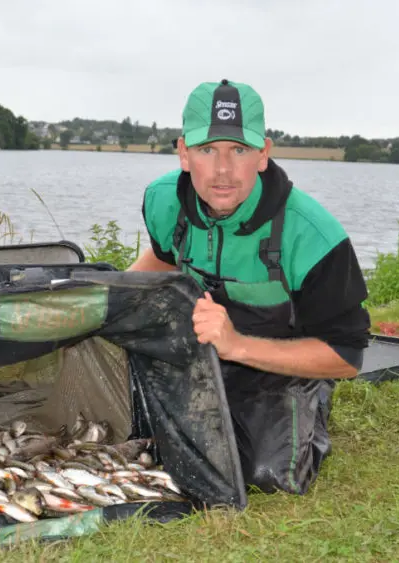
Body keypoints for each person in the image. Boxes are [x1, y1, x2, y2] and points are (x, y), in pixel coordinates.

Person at [127, 78, 372, 495]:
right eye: (208, 150)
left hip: (278, 365)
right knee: (145, 440)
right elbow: (163, 260)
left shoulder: (314, 236)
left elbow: (346, 356)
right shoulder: (162, 199)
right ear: (184, 153)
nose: (223, 171)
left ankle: (312, 405)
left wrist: (236, 345)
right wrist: (107, 298)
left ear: (263, 155)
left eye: (239, 151)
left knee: (263, 471)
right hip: (198, 348)